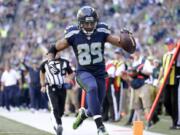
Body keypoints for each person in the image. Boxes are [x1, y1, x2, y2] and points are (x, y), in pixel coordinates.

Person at [47, 6, 136, 135]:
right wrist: (50, 62)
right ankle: (100, 128)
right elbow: (52, 49)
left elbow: (119, 42)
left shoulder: (101, 31)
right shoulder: (73, 34)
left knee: (95, 107)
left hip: (100, 74)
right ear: (79, 23)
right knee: (92, 88)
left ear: (96, 21)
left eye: (91, 22)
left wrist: (126, 41)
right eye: (85, 23)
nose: (89, 26)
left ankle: (84, 114)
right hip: (83, 72)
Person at [40, 54, 74, 135]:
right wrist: (43, 85)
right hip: (51, 87)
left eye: (57, 51)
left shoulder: (65, 62)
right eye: (54, 52)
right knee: (54, 107)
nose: (56, 53)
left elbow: (71, 73)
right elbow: (42, 73)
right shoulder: (45, 63)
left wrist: (68, 78)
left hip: (62, 87)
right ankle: (59, 125)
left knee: (61, 110)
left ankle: (54, 119)